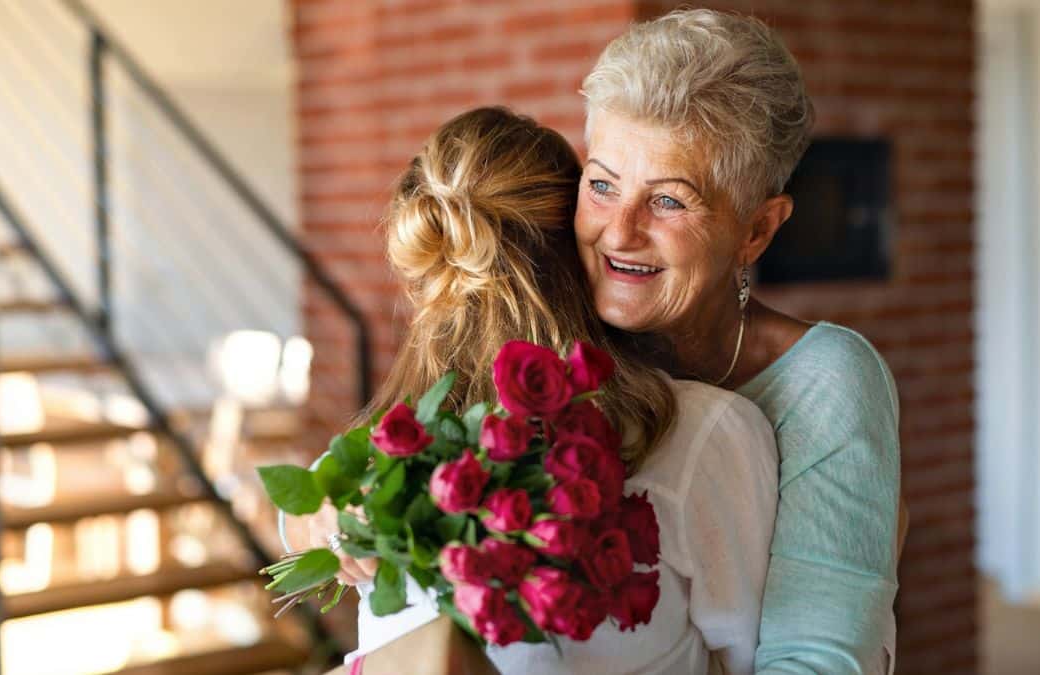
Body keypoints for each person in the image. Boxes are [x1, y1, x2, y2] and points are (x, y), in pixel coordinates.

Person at [324, 106, 779, 674]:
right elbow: (760, 660)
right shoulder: (704, 435)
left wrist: (308, 516)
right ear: (577, 238)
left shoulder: (377, 462)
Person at [574, 9, 901, 674]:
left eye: (668, 201)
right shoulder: (547, 336)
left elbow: (821, 662)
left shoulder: (827, 380)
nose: (619, 231)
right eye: (602, 184)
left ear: (757, 231)